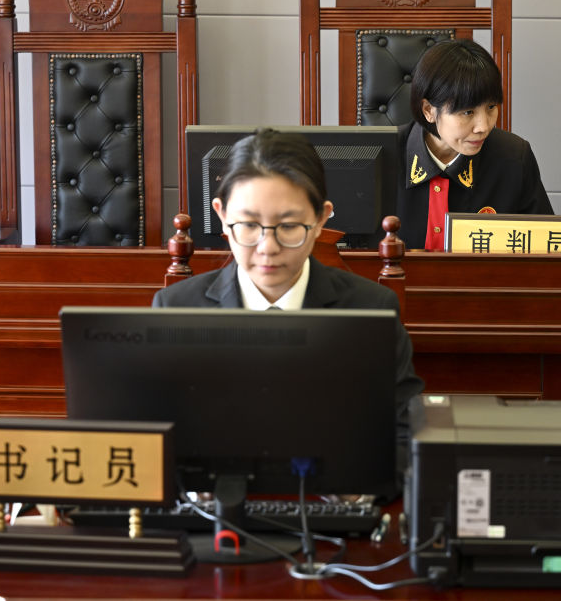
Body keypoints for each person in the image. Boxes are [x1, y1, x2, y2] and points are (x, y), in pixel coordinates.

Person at [152, 128, 423, 438]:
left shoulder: (372, 311)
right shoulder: (176, 309)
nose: (267, 247)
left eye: (289, 226)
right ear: (223, 216)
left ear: (321, 219)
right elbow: (157, 435)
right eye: (249, 224)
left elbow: (404, 435)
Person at [396, 38, 553, 250]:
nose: (484, 127)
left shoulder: (514, 157)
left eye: (491, 107)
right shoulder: (381, 157)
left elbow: (544, 249)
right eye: (468, 112)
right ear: (429, 111)